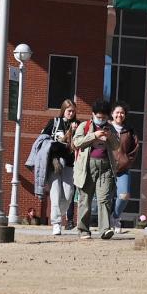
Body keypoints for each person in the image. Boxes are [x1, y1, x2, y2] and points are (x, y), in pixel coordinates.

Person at [72, 98, 120, 240]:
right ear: (93, 114)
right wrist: (94, 135)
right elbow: (76, 142)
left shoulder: (110, 128)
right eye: (99, 117)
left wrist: (110, 137)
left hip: (106, 167)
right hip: (87, 166)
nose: (101, 120)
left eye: (104, 117)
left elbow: (117, 146)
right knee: (85, 199)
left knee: (104, 199)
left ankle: (105, 229)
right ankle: (83, 230)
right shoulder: (84, 126)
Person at [40, 99, 78, 235]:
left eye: (73, 111)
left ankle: (59, 213)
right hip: (55, 163)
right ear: (63, 110)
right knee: (55, 194)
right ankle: (56, 223)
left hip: (70, 163)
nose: (71, 113)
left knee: (68, 194)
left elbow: (78, 144)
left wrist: (73, 132)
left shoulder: (77, 125)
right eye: (69, 111)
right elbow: (43, 139)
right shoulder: (55, 122)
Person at [109, 102, 140, 233]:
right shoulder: (107, 128)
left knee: (124, 195)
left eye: (122, 113)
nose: (119, 115)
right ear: (112, 114)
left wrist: (127, 161)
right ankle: (104, 223)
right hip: (107, 168)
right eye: (117, 112)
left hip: (123, 168)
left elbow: (135, 147)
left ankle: (115, 217)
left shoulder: (129, 130)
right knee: (105, 197)